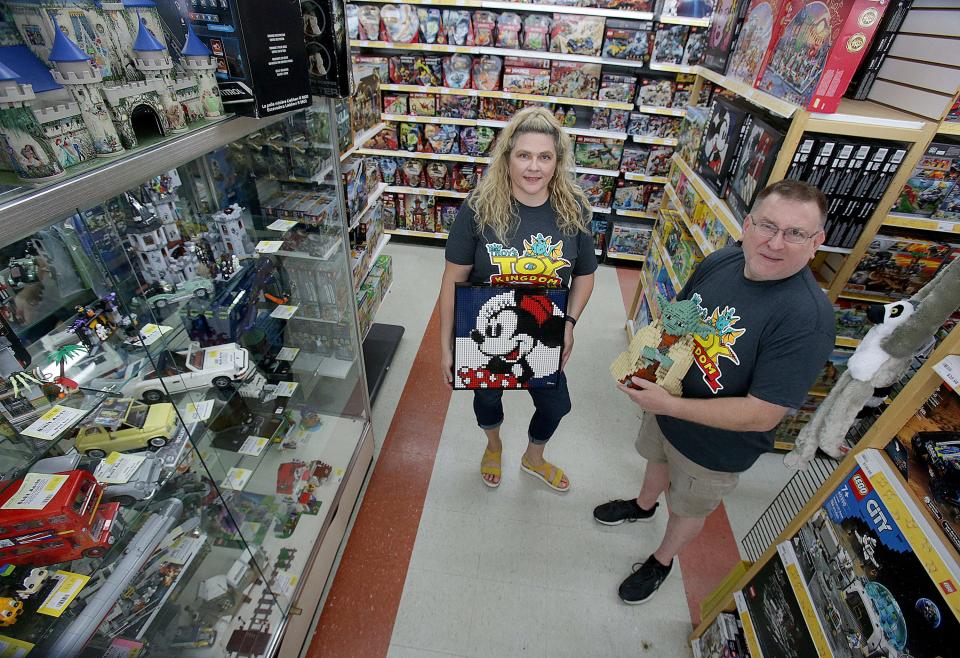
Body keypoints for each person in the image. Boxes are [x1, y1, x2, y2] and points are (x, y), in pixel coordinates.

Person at [594, 180, 835, 603]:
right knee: (656, 456)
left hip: (716, 447)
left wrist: (670, 404)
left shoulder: (806, 319)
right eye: (767, 226)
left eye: (795, 233)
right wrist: (645, 366)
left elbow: (763, 414)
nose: (775, 243)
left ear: (818, 242)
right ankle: (644, 505)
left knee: (688, 506)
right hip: (666, 404)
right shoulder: (723, 261)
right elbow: (676, 320)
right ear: (747, 223)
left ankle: (662, 560)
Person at [439, 106, 597, 492]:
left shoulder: (573, 209)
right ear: (507, 156)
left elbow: (586, 275)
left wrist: (570, 324)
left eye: (545, 157)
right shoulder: (478, 207)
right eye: (524, 155)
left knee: (556, 404)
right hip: (486, 328)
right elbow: (452, 278)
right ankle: (493, 446)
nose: (533, 167)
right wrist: (446, 347)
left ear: (557, 162)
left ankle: (533, 457)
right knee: (488, 399)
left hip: (542, 329)